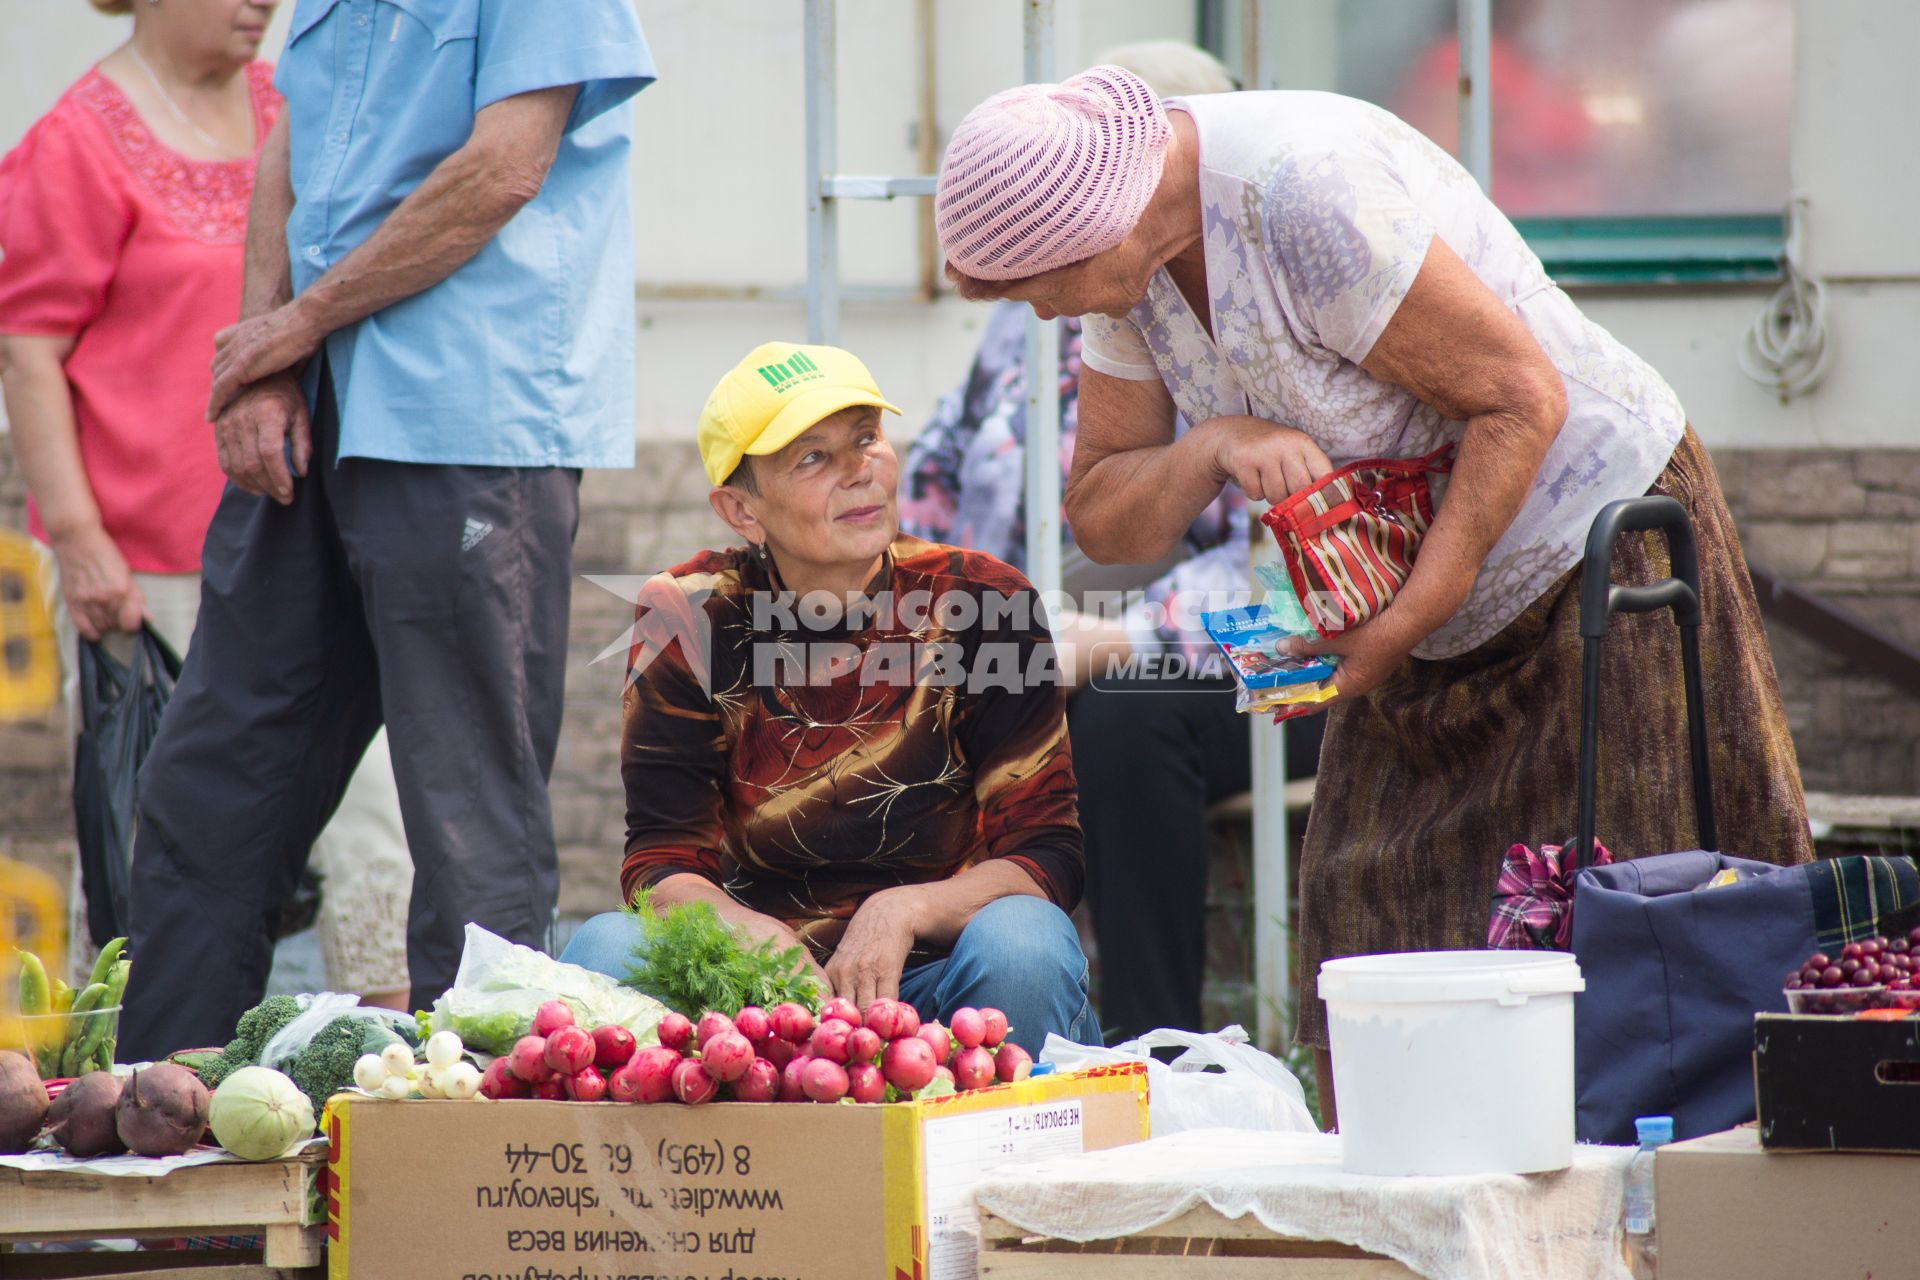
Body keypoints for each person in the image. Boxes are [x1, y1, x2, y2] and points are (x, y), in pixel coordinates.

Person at [934, 67, 1812, 1121]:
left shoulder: (1303, 196)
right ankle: (1420, 1207)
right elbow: (1104, 511)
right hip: (1409, 592)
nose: (1039, 310)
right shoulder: (1136, 263)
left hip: (1588, 551)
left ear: (1097, 224)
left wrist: (1402, 624)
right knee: (1370, 908)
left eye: (1039, 282)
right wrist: (1212, 445)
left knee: (1629, 931)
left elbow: (1518, 399)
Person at [115, 0, 657, 1059]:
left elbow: (504, 166)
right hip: (316, 401)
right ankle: (155, 1125)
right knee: (209, 785)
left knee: (466, 822)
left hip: (470, 416)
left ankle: (460, 1158)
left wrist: (296, 324)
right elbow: (289, 142)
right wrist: (267, 352)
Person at [903, 41, 1321, 1043]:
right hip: (1035, 644)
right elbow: (939, 470)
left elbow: (1301, 581)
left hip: (1281, 655)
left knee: (1123, 720)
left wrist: (1117, 638)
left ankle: (1154, 1048)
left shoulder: (1255, 303)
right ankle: (921, 1038)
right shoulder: (1023, 315)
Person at [0, 0, 412, 1011]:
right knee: (181, 849)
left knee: (380, 827)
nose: (261, 2)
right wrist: (85, 544)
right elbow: (28, 347)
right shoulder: (75, 140)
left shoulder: (293, 105)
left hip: (312, 542)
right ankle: (164, 1093)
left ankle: (392, 1075)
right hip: (154, 572)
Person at [559, 343, 1096, 1055]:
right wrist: (759, 942)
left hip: (943, 986)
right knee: (601, 948)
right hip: (751, 997)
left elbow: (1047, 853)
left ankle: (1006, 1151)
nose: (859, 471)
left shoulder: (982, 601)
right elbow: (660, 867)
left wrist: (905, 911)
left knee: (1026, 942)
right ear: (741, 510)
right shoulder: (687, 617)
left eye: (867, 437)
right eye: (812, 458)